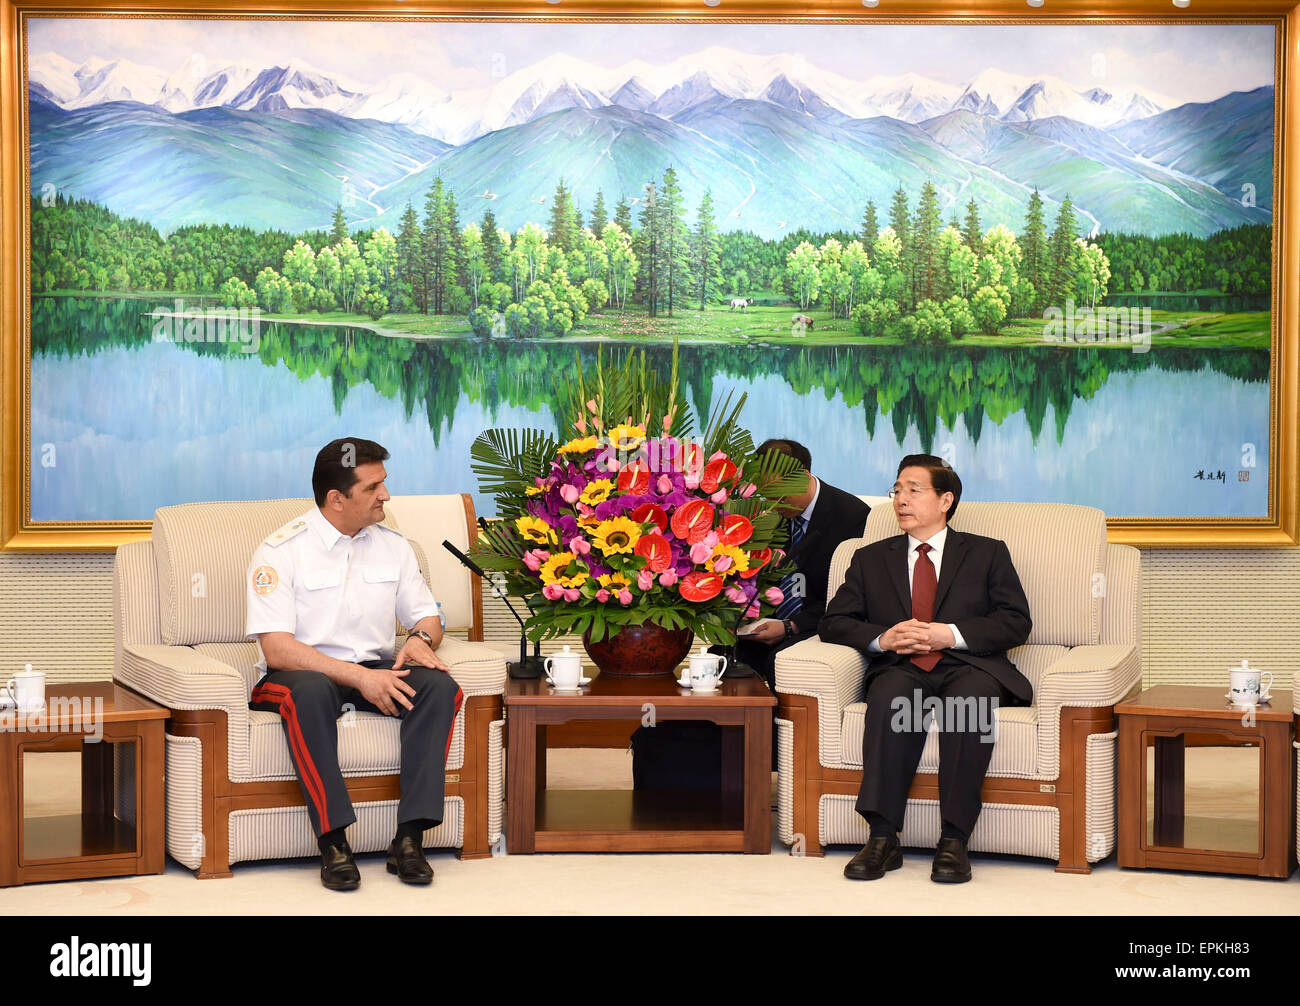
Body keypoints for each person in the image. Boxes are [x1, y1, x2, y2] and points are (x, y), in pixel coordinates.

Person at [245, 437, 464, 891]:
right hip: (299, 676)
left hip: (375, 669)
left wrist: (421, 639)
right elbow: (278, 650)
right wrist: (361, 678)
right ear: (336, 499)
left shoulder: (394, 546)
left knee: (440, 687)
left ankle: (409, 839)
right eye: (373, 487)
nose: (386, 495)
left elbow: (428, 615)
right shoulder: (280, 551)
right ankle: (333, 841)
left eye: (384, 483)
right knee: (309, 691)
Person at [819, 454, 1031, 884]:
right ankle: (882, 837)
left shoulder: (987, 553)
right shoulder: (870, 558)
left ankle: (954, 839)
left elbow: (1015, 621)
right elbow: (833, 622)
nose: (901, 499)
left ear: (946, 499)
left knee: (968, 707)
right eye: (896, 490)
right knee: (890, 700)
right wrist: (884, 639)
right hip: (903, 666)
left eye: (914, 490)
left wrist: (948, 634)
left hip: (968, 664)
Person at [734, 439, 870, 689]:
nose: (774, 503)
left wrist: (791, 626)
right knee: (721, 657)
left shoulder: (853, 517)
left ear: (804, 476)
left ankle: (769, 728)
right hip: (766, 626)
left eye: (781, 494)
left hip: (819, 624)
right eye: (767, 494)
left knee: (778, 661)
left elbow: (851, 597)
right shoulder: (765, 514)